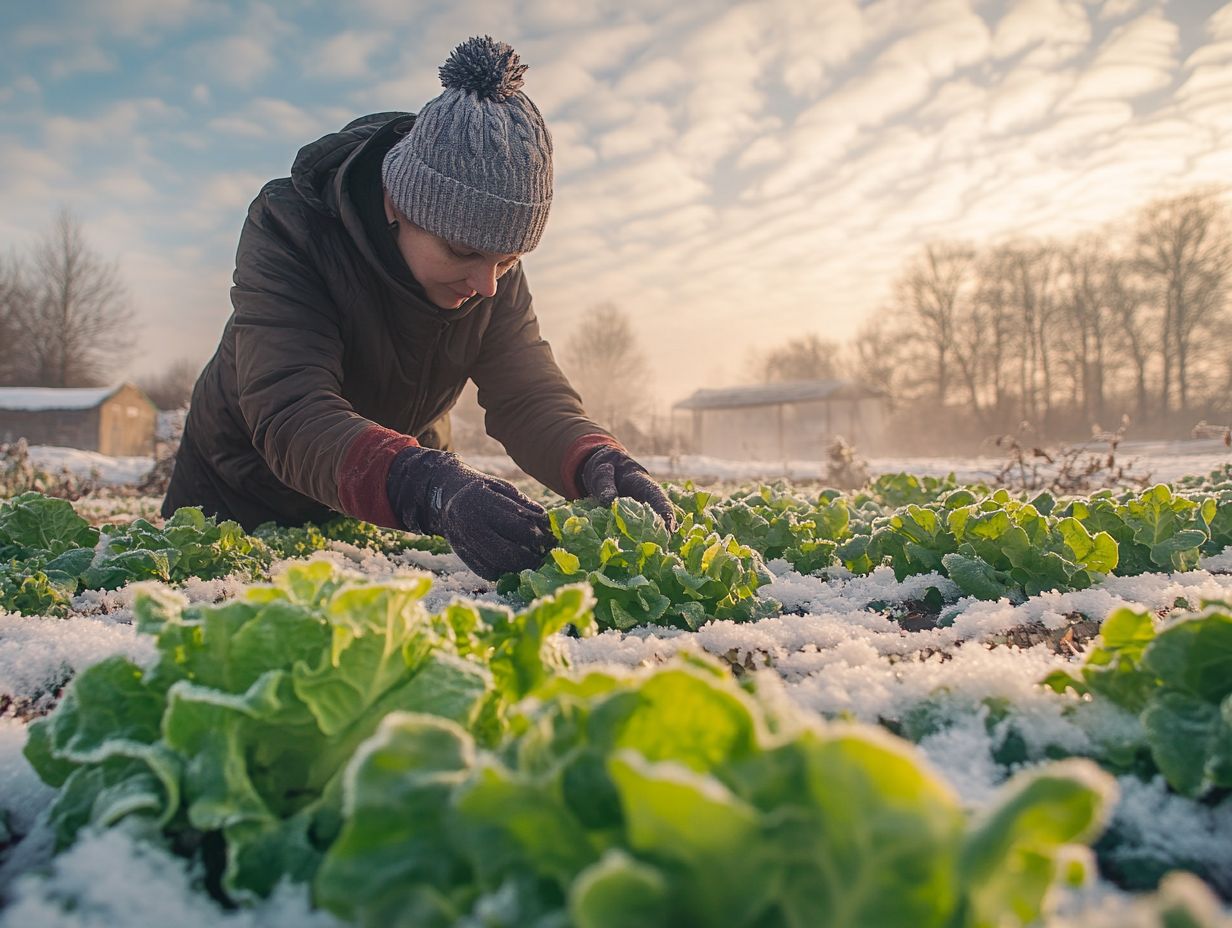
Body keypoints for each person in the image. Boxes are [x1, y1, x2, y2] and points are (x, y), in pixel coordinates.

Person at [163, 35, 674, 580]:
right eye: (463, 252)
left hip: (384, 489)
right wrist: (424, 485)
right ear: (398, 203)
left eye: (508, 261)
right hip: (243, 491)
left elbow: (526, 394)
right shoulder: (290, 228)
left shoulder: (488, 272)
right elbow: (291, 411)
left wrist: (596, 459)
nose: (487, 286)